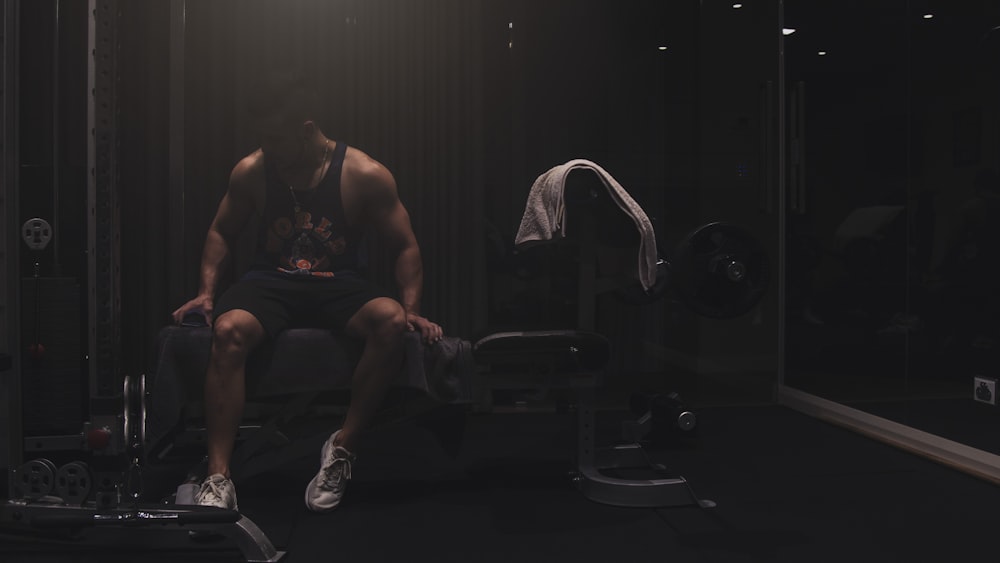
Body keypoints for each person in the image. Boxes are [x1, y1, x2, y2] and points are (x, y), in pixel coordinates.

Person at [171, 72, 443, 512]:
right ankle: (218, 478)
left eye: (276, 138)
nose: (269, 149)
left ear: (307, 130)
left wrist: (411, 308)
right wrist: (206, 294)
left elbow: (405, 245)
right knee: (227, 330)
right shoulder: (253, 170)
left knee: (391, 321)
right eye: (263, 137)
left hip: (338, 284)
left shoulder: (364, 174)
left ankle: (342, 447)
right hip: (272, 282)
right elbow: (222, 231)